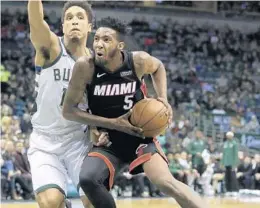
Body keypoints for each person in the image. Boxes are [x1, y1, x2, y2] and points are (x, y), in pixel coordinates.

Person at [62, 17, 206, 208]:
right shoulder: (85, 67)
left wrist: (162, 98)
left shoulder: (138, 61)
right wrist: (112, 124)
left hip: (140, 136)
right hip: (109, 140)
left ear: (120, 45)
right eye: (96, 39)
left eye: (106, 39)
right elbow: (68, 111)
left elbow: (159, 67)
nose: (98, 44)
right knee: (88, 179)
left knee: (165, 182)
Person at [27, 1, 108, 207]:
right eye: (69, 18)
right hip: (45, 143)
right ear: (62, 26)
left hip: (78, 143)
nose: (74, 21)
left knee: (95, 198)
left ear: (90, 26)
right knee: (50, 202)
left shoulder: (98, 65)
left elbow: (96, 106)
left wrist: (97, 129)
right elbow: (36, 22)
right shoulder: (51, 48)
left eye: (80, 17)